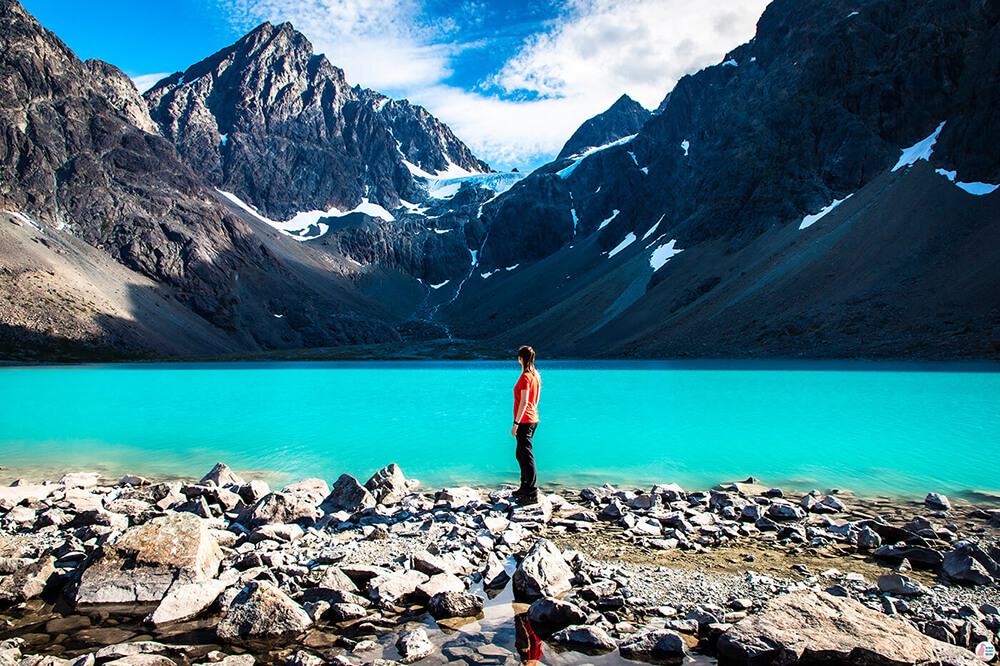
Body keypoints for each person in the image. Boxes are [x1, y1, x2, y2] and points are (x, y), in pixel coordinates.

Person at [511, 345, 540, 505]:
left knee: (527, 455)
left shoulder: (526, 377)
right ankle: (524, 486)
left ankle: (532, 492)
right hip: (532, 418)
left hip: (525, 420)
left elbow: (524, 402)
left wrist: (516, 423)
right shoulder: (536, 375)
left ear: (520, 358)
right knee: (520, 454)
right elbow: (535, 399)